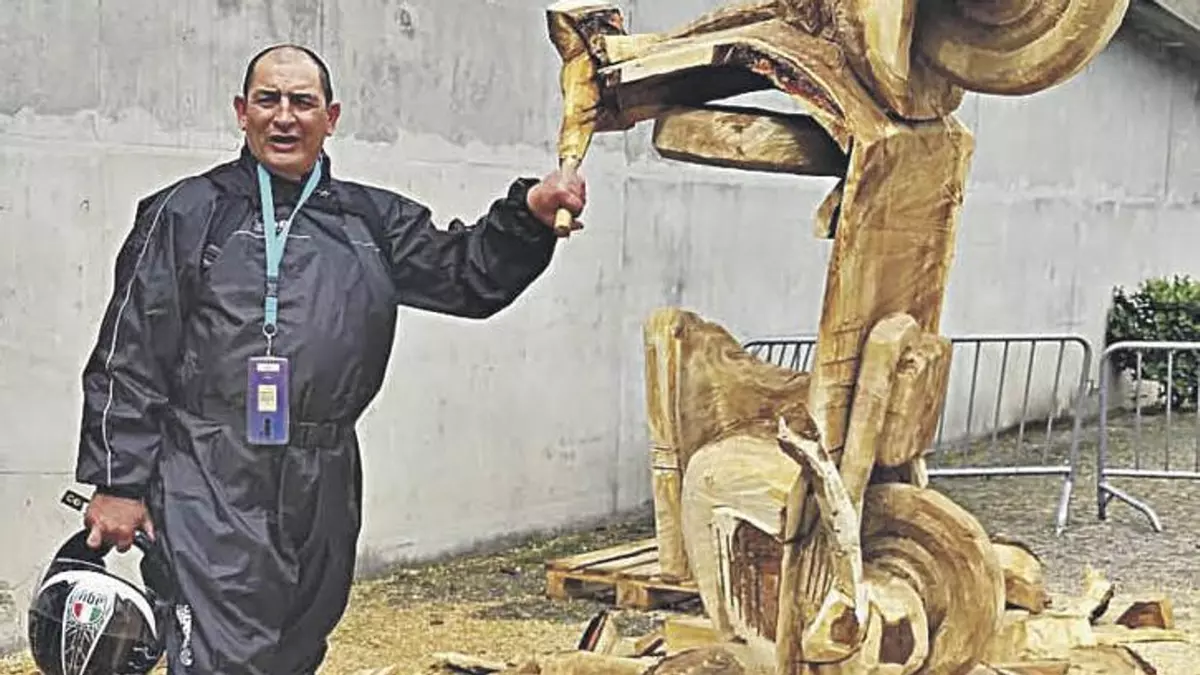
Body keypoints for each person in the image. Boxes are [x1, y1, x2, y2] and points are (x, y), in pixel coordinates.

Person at [72, 43, 586, 674]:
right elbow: (130, 351)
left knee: (297, 644)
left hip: (325, 472)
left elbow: (466, 275)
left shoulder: (371, 220)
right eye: (267, 100)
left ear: (331, 116)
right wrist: (118, 483)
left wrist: (527, 217)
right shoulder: (188, 213)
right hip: (210, 468)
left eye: (302, 102)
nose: (284, 117)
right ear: (241, 112)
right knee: (223, 655)